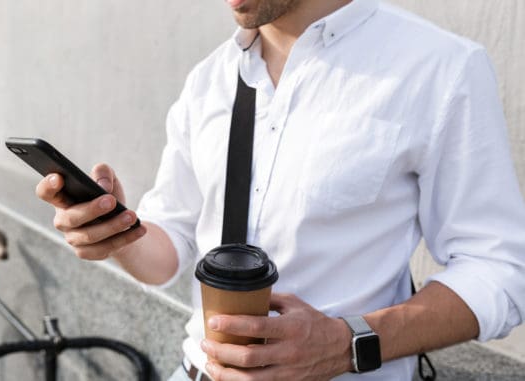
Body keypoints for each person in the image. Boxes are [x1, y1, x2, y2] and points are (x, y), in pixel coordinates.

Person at [36, 0, 525, 380]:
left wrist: (344, 342)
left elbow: (500, 269)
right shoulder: (208, 80)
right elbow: (169, 250)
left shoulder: (439, 68)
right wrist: (115, 231)